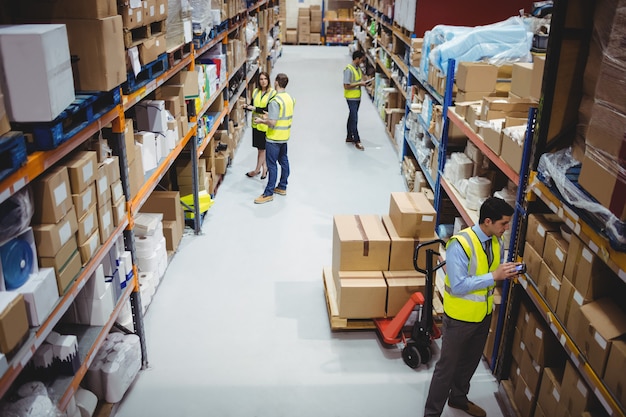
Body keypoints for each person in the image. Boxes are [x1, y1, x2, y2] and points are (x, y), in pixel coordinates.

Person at [424, 197, 519, 417]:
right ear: (487, 221)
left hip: (483, 315)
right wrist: (493, 276)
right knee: (446, 369)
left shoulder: (496, 241)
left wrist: (505, 272)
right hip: (459, 319)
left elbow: (490, 270)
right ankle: (431, 413)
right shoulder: (460, 244)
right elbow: (458, 286)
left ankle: (458, 398)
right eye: (503, 223)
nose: (506, 228)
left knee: (469, 364)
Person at [253, 73, 295, 204]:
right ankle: (282, 186)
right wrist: (270, 114)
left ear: (276, 82)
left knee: (271, 165)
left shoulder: (275, 101)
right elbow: (283, 115)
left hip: (274, 138)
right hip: (284, 136)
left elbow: (273, 122)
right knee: (284, 161)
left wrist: (261, 120)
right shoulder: (289, 98)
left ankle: (268, 192)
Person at [242, 71, 276, 179]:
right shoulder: (256, 92)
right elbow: (252, 105)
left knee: (262, 149)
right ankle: (265, 168)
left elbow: (269, 110)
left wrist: (255, 109)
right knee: (260, 149)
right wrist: (246, 106)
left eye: (265, 79)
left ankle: (257, 170)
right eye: (261, 79)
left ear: (268, 80)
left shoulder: (272, 93)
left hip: (265, 125)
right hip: (256, 124)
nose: (263, 81)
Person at [343, 50, 367, 151]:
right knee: (354, 118)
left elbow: (358, 80)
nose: (362, 61)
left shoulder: (358, 69)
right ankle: (357, 140)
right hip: (351, 97)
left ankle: (349, 136)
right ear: (357, 58)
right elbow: (346, 85)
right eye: (361, 59)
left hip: (357, 97)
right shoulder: (349, 69)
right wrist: (359, 84)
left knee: (352, 116)